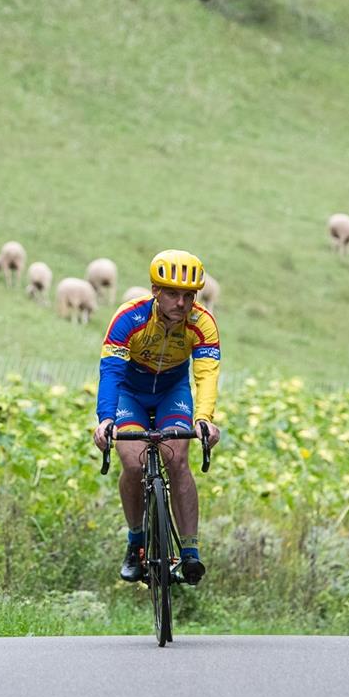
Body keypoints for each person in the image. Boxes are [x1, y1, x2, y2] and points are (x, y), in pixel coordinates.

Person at [92, 249, 222, 585]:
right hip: (130, 394)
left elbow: (206, 374)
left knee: (177, 457)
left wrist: (205, 418)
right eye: (173, 294)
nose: (182, 303)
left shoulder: (202, 323)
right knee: (134, 464)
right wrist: (106, 419)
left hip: (171, 392)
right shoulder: (128, 318)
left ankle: (190, 553)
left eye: (189, 295)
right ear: (155, 291)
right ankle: (136, 542)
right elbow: (110, 372)